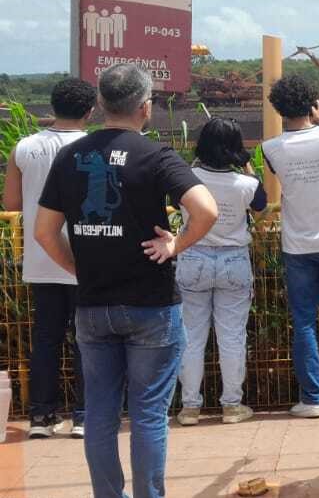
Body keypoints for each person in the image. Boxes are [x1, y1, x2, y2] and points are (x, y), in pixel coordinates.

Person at [32, 63, 218, 498]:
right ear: (145, 107)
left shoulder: (70, 156)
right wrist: (175, 245)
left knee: (100, 413)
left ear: (100, 103)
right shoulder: (155, 155)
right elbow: (206, 210)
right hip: (151, 303)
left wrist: (78, 269)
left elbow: (44, 232)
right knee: (148, 413)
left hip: (93, 305)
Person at [4, 78, 95, 439]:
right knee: (87, 339)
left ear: (52, 106)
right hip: (86, 256)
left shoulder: (23, 147)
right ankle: (85, 416)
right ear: (90, 111)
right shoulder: (94, 147)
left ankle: (41, 417)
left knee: (46, 339)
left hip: (40, 257)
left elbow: (11, 203)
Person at [261, 74, 319, 418]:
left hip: (297, 245)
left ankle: (313, 398)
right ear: (313, 103)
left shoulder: (270, 148)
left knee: (304, 322)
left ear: (278, 108)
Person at [174, 118, 266, 427]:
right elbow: (261, 205)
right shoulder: (246, 184)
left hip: (193, 257)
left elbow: (175, 202)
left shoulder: (187, 179)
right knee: (232, 337)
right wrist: (247, 165)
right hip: (233, 261)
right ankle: (231, 406)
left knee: (191, 337)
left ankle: (189, 408)